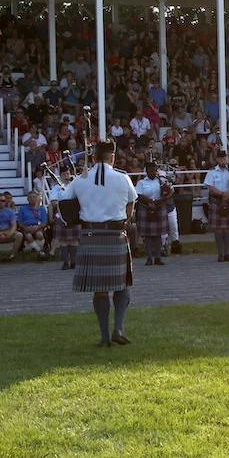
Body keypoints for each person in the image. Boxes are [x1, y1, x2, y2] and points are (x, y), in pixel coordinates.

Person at [63, 140, 137, 348]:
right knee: (123, 284)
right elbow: (131, 206)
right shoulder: (124, 179)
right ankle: (119, 329)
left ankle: (105, 338)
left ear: (93, 158)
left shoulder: (80, 180)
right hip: (116, 234)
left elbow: (65, 205)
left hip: (91, 235)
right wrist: (124, 220)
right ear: (112, 158)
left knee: (100, 289)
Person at [204, 150, 229, 262]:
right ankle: (220, 253)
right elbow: (211, 188)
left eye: (225, 158)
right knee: (219, 229)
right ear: (217, 160)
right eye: (221, 159)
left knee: (227, 229)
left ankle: (227, 253)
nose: (223, 161)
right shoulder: (212, 172)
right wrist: (223, 194)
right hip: (217, 201)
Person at [133, 162, 170, 266]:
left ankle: (157, 257)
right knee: (148, 236)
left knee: (158, 235)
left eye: (154, 170)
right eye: (150, 170)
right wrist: (151, 202)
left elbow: (170, 191)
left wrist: (164, 198)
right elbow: (139, 195)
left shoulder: (161, 181)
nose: (152, 172)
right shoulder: (141, 183)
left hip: (159, 208)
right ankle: (149, 258)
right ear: (146, 171)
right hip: (146, 208)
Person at [49, 166, 80, 269]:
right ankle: (66, 262)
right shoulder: (56, 188)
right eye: (64, 174)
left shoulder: (74, 185)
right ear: (60, 176)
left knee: (74, 240)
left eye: (67, 174)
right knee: (63, 240)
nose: (66, 176)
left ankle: (74, 262)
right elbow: (53, 202)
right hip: (61, 216)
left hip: (73, 216)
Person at [15, 191, 49, 260]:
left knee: (39, 234)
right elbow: (20, 222)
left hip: (38, 227)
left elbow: (44, 222)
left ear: (37, 198)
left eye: (34, 197)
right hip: (26, 228)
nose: (32, 199)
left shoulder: (42, 209)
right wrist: (25, 228)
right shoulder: (23, 209)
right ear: (27, 199)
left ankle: (39, 250)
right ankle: (40, 252)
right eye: (30, 197)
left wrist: (38, 227)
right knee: (28, 236)